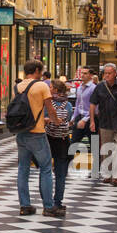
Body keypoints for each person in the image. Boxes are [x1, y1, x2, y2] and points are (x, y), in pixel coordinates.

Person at [12, 59, 61, 216]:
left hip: (21, 132)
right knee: (46, 168)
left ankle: (25, 205)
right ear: (38, 70)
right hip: (37, 132)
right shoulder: (41, 86)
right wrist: (56, 121)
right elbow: (49, 108)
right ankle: (48, 206)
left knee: (23, 169)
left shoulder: (18, 86)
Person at [89, 63, 117, 185]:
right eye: (105, 73)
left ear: (115, 73)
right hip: (104, 122)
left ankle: (116, 176)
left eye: (109, 73)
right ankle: (107, 174)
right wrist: (92, 120)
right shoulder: (99, 87)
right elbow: (93, 104)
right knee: (106, 148)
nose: (107, 76)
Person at [45, 78, 73, 216]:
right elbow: (69, 119)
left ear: (55, 90)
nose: (48, 88)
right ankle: (58, 202)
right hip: (63, 140)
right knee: (61, 174)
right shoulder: (67, 105)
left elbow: (43, 118)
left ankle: (47, 202)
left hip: (48, 139)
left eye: (50, 86)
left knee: (46, 172)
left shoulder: (48, 103)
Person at [71, 67, 95, 151]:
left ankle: (97, 164)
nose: (82, 75)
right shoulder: (80, 88)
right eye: (82, 73)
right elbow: (78, 104)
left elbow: (95, 107)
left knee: (94, 146)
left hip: (91, 119)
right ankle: (68, 163)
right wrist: (73, 118)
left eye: (85, 73)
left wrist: (85, 120)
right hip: (79, 118)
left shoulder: (93, 88)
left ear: (91, 75)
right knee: (73, 144)